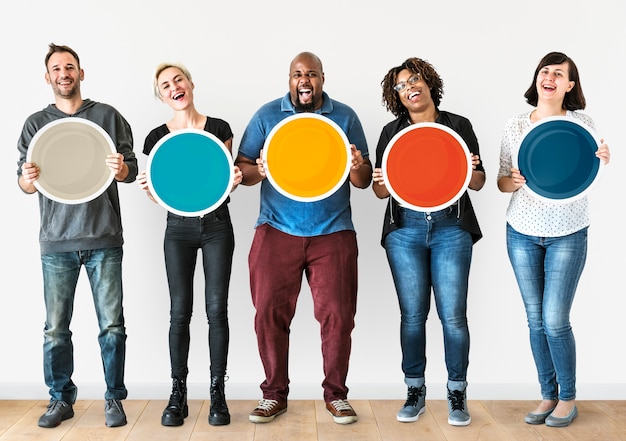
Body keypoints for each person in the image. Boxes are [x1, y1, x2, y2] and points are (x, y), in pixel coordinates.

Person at [234, 51, 372, 425]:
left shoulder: (344, 117)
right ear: (289, 79)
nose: (304, 80)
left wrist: (359, 166)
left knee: (339, 316)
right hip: (276, 229)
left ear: (323, 78)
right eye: (298, 74)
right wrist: (258, 171)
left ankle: (337, 396)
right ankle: (273, 394)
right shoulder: (267, 116)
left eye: (311, 74)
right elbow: (242, 169)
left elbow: (362, 180)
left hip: (334, 231)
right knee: (268, 315)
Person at [16, 43, 138, 428]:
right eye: (56, 68)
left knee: (112, 325)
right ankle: (60, 399)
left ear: (81, 73)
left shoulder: (107, 116)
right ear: (47, 77)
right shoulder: (36, 124)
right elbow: (25, 183)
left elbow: (132, 169)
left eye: (70, 66)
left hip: (104, 237)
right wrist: (27, 179)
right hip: (56, 241)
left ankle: (114, 400)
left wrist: (121, 170)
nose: (64, 73)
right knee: (55, 329)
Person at [497, 51, 610, 428]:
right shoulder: (515, 125)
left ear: (569, 86)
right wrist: (509, 181)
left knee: (555, 319)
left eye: (559, 73)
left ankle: (567, 397)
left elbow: (586, 167)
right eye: (545, 71)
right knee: (535, 320)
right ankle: (547, 394)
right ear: (537, 80)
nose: (550, 77)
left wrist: (602, 156)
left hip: (568, 232)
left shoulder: (582, 124)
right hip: (522, 232)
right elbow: (500, 181)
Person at [372, 57, 485, 427]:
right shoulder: (391, 133)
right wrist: (381, 181)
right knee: (413, 316)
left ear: (428, 82)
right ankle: (415, 390)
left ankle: (456, 392)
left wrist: (471, 167)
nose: (410, 87)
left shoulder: (458, 126)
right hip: (405, 230)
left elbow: (478, 182)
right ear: (397, 96)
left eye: (415, 79)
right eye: (402, 85)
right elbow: (379, 190)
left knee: (453, 316)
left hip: (451, 227)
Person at [136, 62, 242, 427]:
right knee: (179, 311)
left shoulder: (219, 129)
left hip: (216, 226)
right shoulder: (155, 138)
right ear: (162, 96)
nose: (173, 87)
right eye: (165, 85)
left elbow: (223, 180)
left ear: (191, 84)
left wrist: (236, 179)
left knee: (217, 310)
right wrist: (151, 191)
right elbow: (163, 194)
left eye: (178, 79)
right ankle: (177, 394)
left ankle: (217, 393)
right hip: (177, 230)